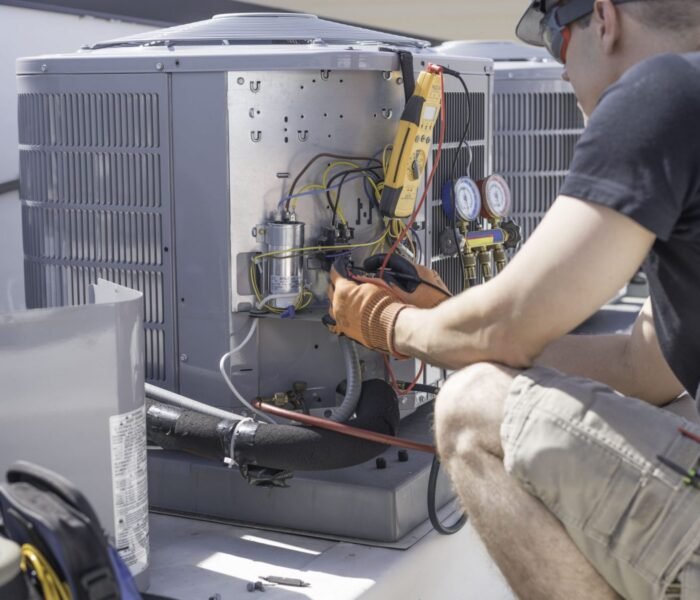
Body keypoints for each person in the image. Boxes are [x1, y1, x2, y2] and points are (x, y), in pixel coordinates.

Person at [326, 1, 700, 598]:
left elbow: (505, 328)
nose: (558, 68)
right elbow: (647, 366)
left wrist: (389, 322)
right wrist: (453, 319)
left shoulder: (664, 90)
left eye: (556, 38)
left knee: (471, 409)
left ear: (603, 19)